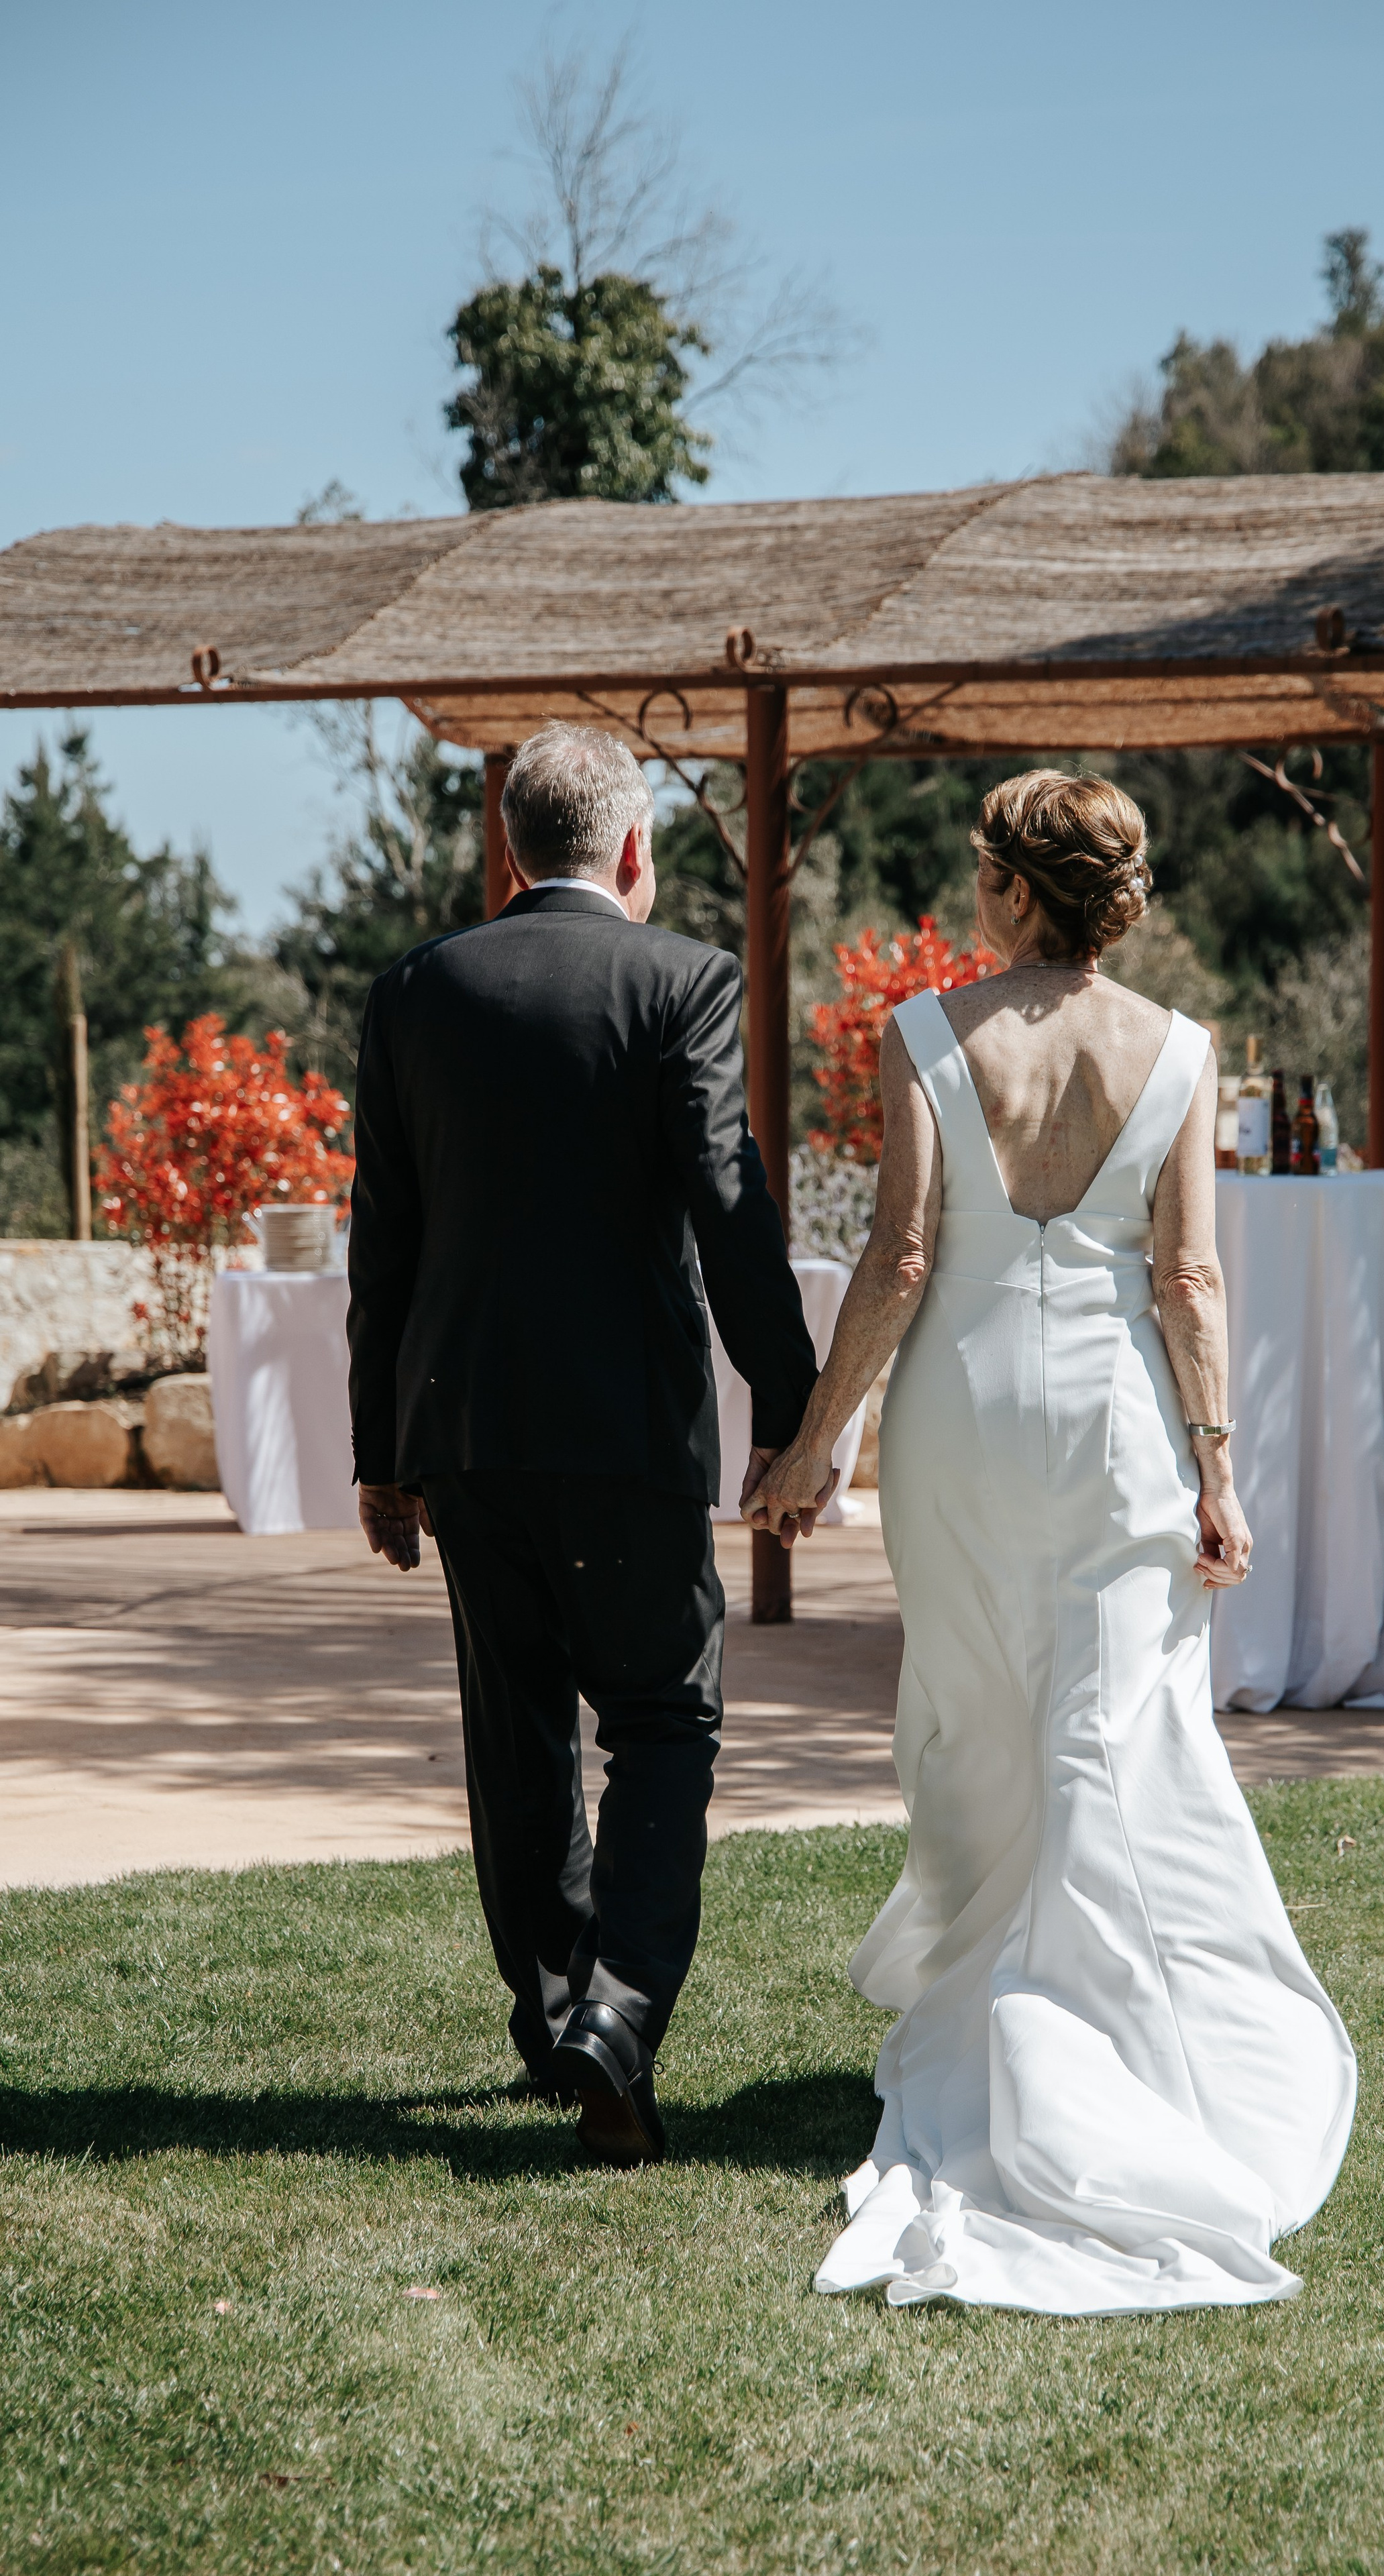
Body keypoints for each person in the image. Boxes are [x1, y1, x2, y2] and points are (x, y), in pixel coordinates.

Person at [748, 769, 1356, 2314]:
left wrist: (817, 1447)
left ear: (1016, 891)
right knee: (1113, 1727)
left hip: (956, 1424)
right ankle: (1098, 2030)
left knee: (972, 1715)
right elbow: (1188, 1286)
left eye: (979, 871)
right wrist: (1214, 1473)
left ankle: (1009, 2009)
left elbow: (894, 1256)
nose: (971, 892)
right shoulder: (1180, 1051)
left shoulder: (925, 1036)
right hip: (1112, 1430)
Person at [347, 722, 818, 2167]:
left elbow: (386, 1239)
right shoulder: (682, 979)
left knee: (518, 1733)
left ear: (508, 851)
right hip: (629, 1433)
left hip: (468, 1430)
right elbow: (730, 1209)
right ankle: (617, 2020)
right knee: (664, 1722)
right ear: (629, 852)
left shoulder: (415, 990)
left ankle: (558, 2018)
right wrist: (788, 1410)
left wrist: (381, 1449)